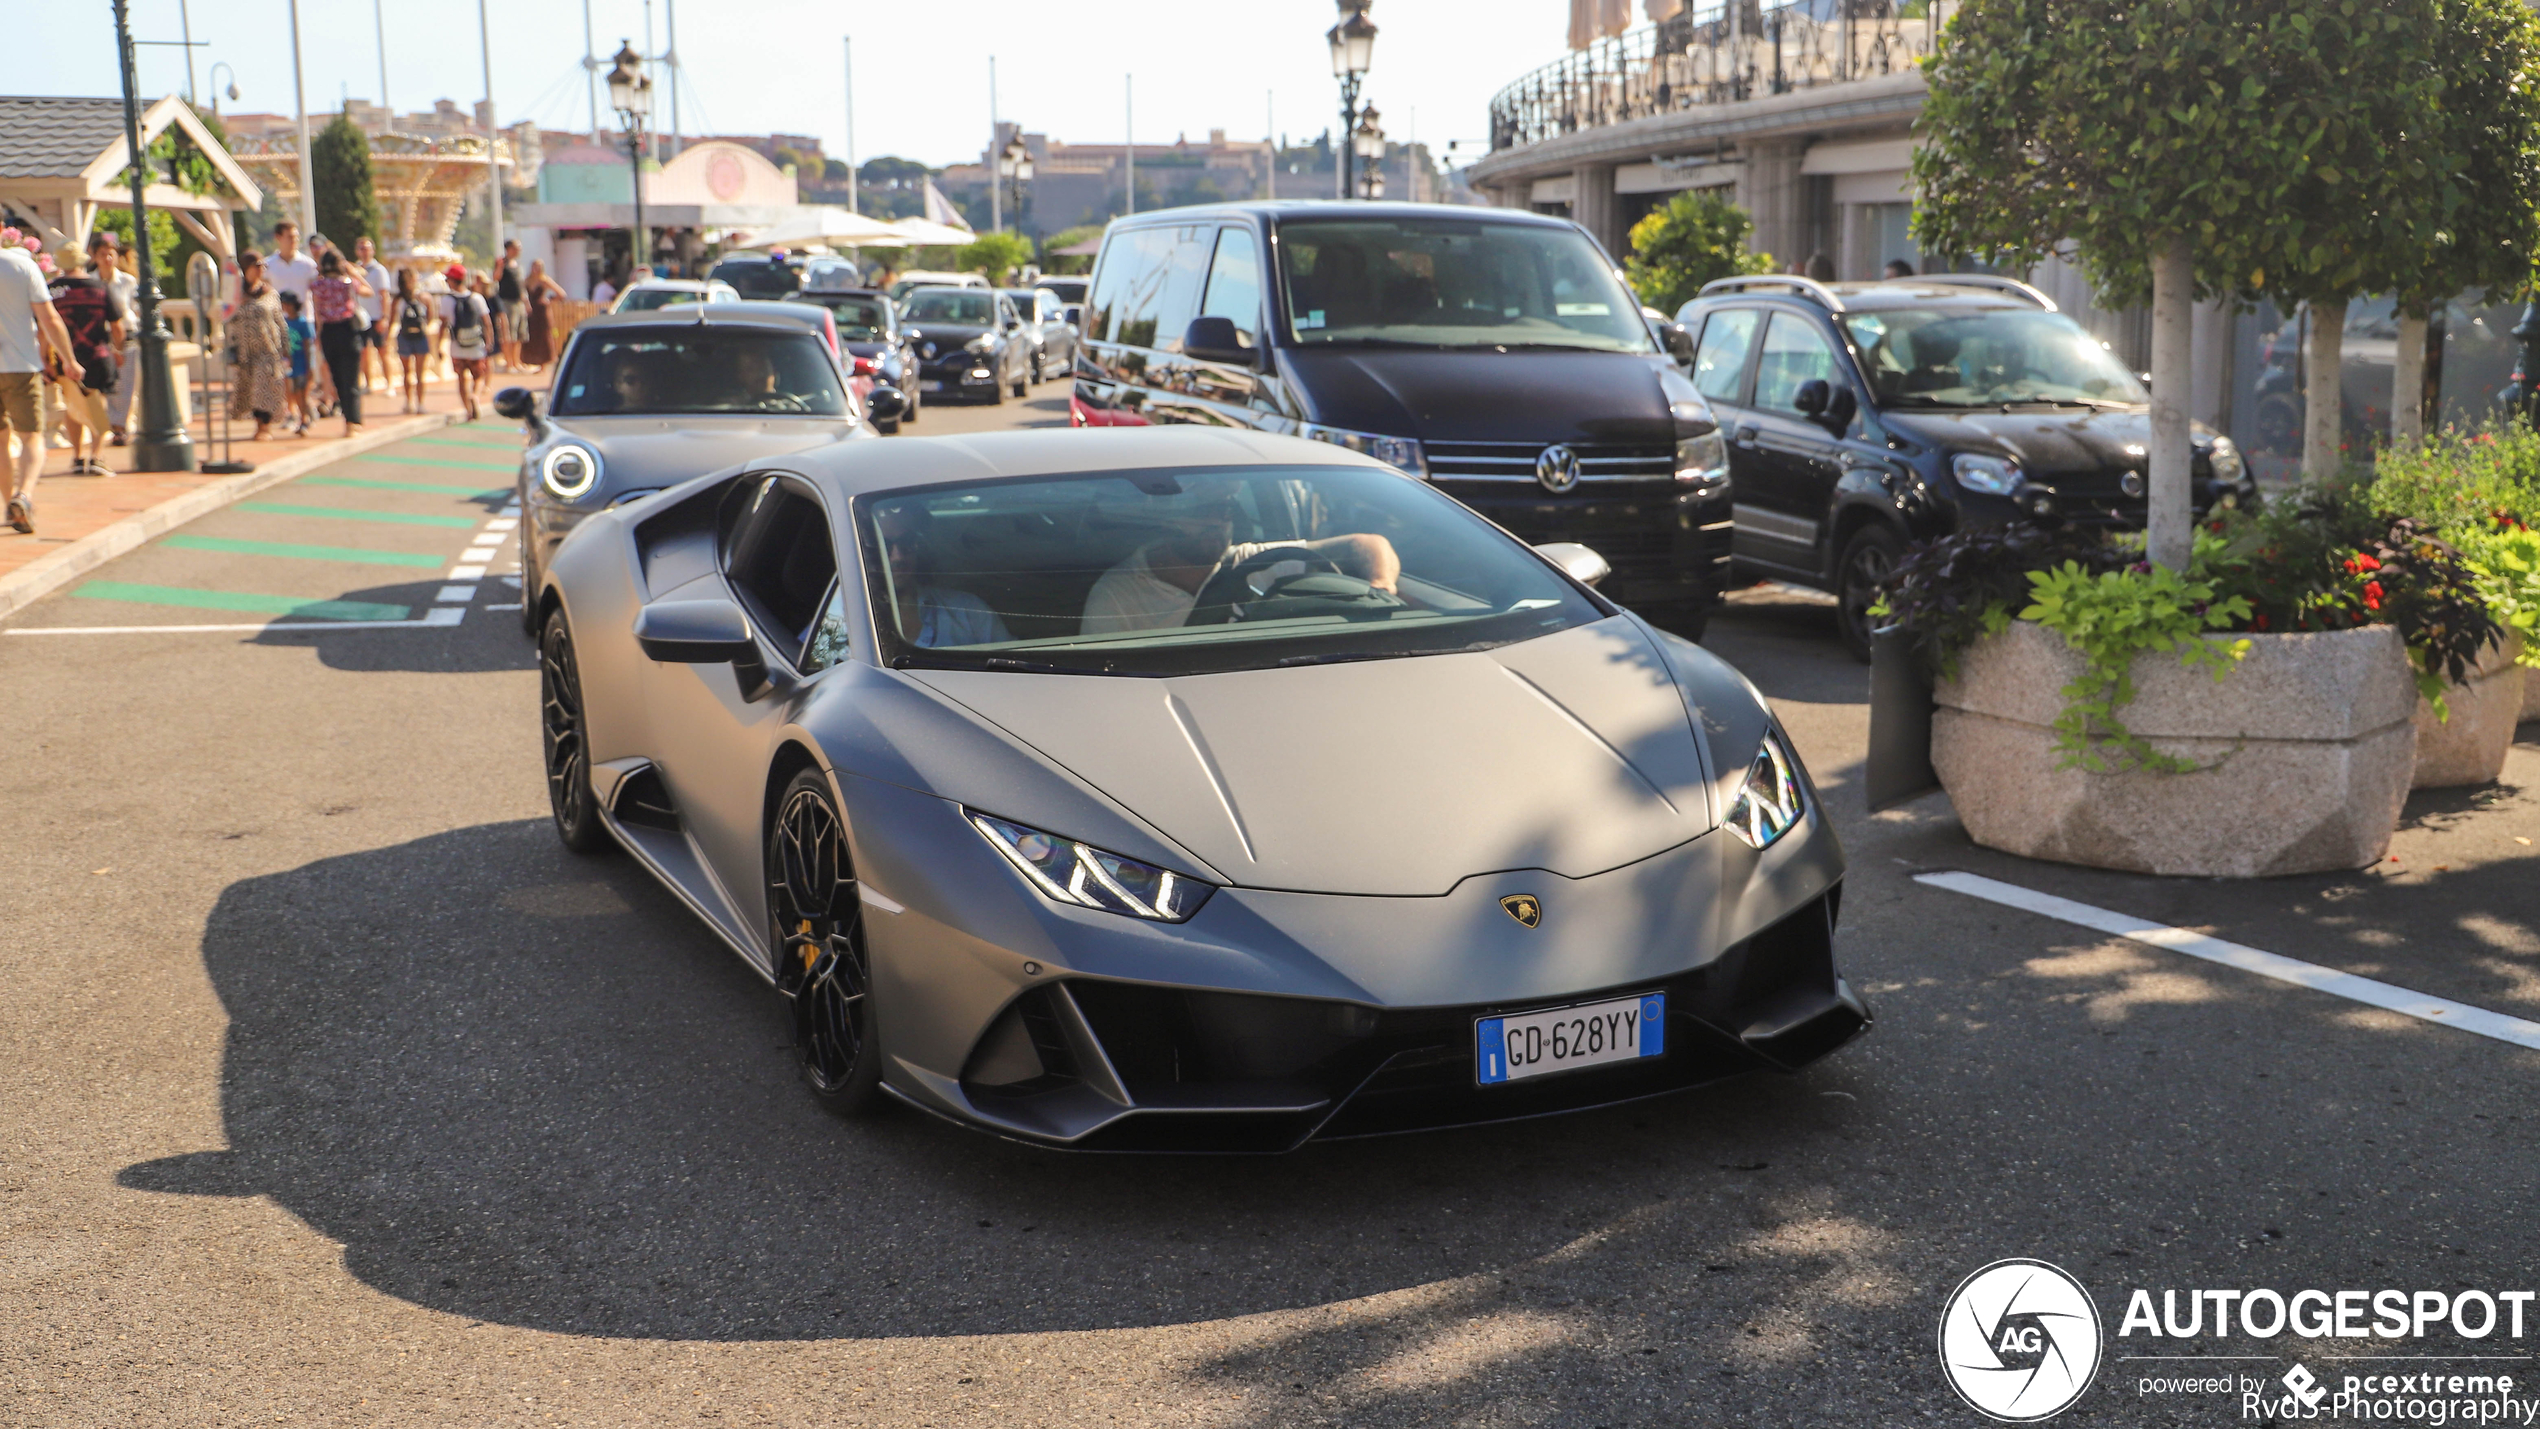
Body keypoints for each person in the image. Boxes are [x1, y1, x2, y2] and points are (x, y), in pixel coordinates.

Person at [1079, 480, 1401, 634]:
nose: (1218, 523)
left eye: (1227, 511)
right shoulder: (1118, 594)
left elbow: (1367, 543)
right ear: (1168, 519)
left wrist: (1381, 586)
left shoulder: (1254, 562)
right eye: (1204, 511)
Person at [3, 235, 81, 533]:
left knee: (1, 441)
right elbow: (49, 318)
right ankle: (23, 496)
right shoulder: (22, 266)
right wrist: (69, 361)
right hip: (21, 365)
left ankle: (10, 503)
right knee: (32, 437)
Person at [876, 506, 1013, 648]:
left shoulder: (968, 611)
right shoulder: (853, 623)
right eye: (883, 545)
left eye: (907, 542)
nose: (898, 557)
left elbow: (1009, 663)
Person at [45, 243, 124, 476]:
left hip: (65, 356)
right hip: (97, 354)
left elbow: (44, 327)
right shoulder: (100, 287)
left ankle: (78, 456)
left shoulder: (51, 290)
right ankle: (96, 456)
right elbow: (117, 325)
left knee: (72, 406)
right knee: (97, 404)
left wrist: (45, 358)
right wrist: (118, 350)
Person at [225, 250, 290, 441]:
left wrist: (287, 348)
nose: (261, 270)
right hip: (246, 351)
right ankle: (257, 424)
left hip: (268, 349)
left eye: (263, 266)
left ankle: (265, 426)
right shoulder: (236, 294)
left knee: (267, 387)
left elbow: (280, 321)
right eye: (257, 267)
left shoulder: (270, 293)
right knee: (250, 388)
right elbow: (228, 318)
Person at [309, 248, 370, 434]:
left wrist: (318, 335)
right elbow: (369, 291)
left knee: (337, 378)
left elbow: (317, 310)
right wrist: (353, 272)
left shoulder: (317, 286)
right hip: (348, 330)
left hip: (328, 332)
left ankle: (347, 417)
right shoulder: (348, 284)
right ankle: (353, 421)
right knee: (351, 378)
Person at [88, 232, 137, 446]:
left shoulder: (127, 281)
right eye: (103, 254)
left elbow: (135, 311)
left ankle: (119, 427)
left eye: (111, 254)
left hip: (125, 336)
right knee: (99, 386)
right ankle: (102, 426)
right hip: (99, 337)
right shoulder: (90, 282)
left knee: (123, 384)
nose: (108, 259)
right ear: (94, 257)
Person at [438, 264, 491, 421]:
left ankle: (468, 410)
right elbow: (487, 322)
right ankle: (475, 395)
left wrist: (439, 346)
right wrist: (489, 342)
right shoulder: (476, 298)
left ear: (453, 281)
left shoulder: (447, 300)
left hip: (457, 346)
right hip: (476, 345)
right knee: (479, 376)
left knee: (461, 378)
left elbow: (443, 325)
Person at [389, 267, 433, 414]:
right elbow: (431, 319)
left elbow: (392, 320)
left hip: (407, 337)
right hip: (417, 336)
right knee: (414, 372)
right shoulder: (424, 298)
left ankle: (413, 403)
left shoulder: (398, 300)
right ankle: (416, 403)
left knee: (411, 372)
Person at [354, 236, 392, 393]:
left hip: (376, 316)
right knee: (363, 352)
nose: (364, 251)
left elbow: (385, 294)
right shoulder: (354, 270)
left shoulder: (379, 270)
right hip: (361, 317)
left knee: (382, 350)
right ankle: (368, 384)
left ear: (373, 250)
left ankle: (389, 384)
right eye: (361, 248)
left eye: (367, 248)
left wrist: (384, 317)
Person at [518, 259, 565, 371]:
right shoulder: (526, 281)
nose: (536, 269)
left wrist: (550, 300)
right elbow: (520, 294)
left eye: (539, 267)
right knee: (529, 335)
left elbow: (561, 294)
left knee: (543, 335)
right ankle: (529, 361)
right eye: (535, 267)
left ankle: (543, 363)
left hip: (542, 311)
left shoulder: (544, 280)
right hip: (530, 310)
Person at [278, 290, 314, 434]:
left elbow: (307, 345)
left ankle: (305, 418)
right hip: (289, 363)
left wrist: (310, 366)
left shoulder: (303, 323)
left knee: (301, 392)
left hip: (301, 363)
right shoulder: (284, 323)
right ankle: (294, 415)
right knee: (290, 391)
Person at [493, 239, 525, 371]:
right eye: (517, 247)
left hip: (519, 302)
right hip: (507, 302)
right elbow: (496, 277)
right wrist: (499, 266)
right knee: (508, 333)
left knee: (519, 333)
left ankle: (516, 362)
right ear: (509, 249)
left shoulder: (517, 265)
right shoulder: (502, 262)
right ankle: (509, 363)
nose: (519, 250)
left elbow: (521, 285)